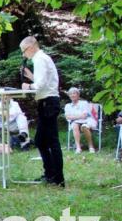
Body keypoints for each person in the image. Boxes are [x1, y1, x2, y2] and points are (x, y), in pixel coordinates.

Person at [20, 36, 64, 187]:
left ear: (31, 47)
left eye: (24, 51)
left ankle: (58, 178)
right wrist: (31, 77)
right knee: (40, 140)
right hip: (47, 102)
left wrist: (28, 86)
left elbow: (41, 85)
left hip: (48, 103)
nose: (24, 54)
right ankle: (50, 174)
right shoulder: (42, 59)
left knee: (52, 141)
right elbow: (44, 81)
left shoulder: (39, 59)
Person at [64, 87, 97, 154]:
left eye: (74, 93)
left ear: (78, 95)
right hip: (76, 123)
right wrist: (79, 116)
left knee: (84, 126)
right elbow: (67, 117)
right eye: (70, 94)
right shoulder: (67, 106)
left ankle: (91, 146)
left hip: (87, 121)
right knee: (75, 125)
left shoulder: (84, 103)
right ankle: (78, 148)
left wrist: (73, 117)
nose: (72, 95)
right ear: (69, 96)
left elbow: (84, 116)